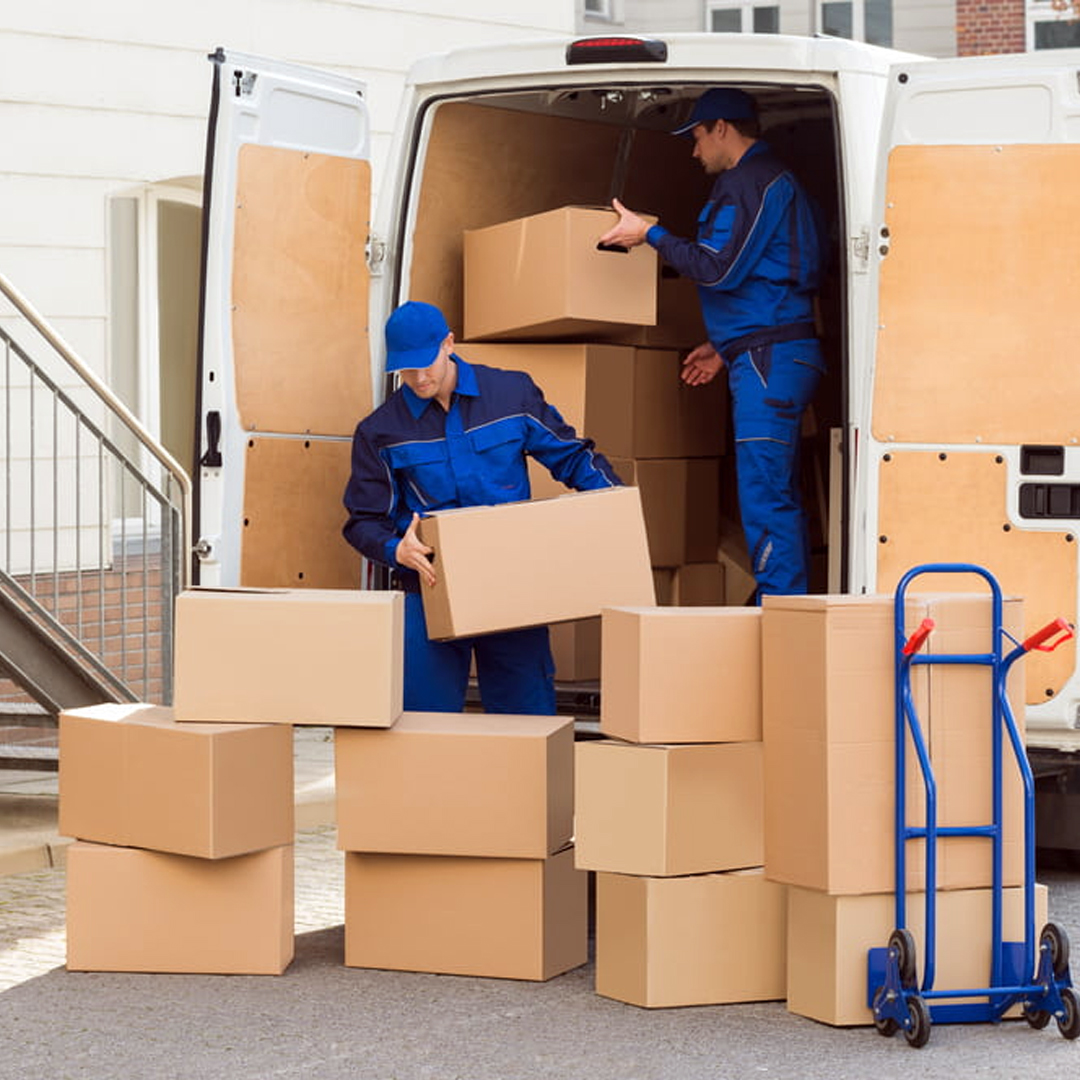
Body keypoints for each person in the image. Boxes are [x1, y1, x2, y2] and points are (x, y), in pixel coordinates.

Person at [598, 87, 827, 599]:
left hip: (770, 363)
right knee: (777, 491)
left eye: (698, 136)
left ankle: (780, 617)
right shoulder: (781, 182)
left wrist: (649, 234)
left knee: (765, 496)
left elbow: (716, 267)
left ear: (722, 128)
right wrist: (725, 346)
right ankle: (788, 610)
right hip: (772, 353)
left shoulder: (747, 183)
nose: (694, 150)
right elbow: (776, 275)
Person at [342, 300, 622, 715]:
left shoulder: (512, 394)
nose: (419, 378)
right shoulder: (380, 431)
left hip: (511, 584)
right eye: (406, 369)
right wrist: (394, 550)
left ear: (449, 344)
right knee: (424, 719)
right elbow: (364, 521)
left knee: (525, 717)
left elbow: (573, 458)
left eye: (426, 364)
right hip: (430, 586)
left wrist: (614, 507)